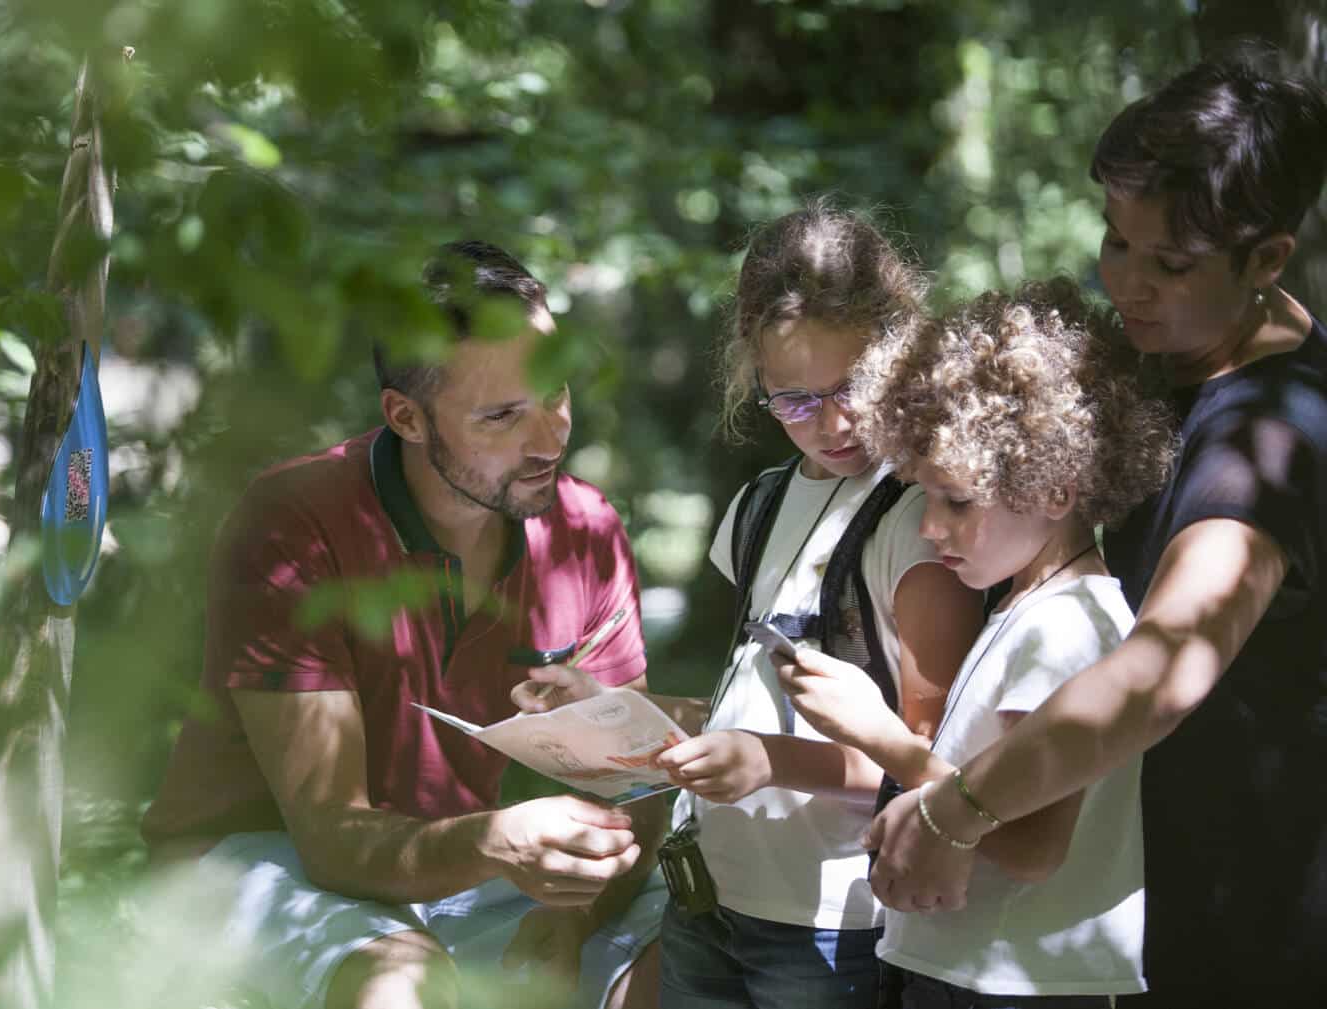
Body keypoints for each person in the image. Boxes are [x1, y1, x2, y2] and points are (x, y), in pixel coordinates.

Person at [859, 48, 1327, 1007]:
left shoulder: (1266, 437)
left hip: (1252, 923)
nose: (1129, 283)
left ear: (1268, 258)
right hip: (1129, 917)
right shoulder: (1174, 351)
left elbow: (1165, 669)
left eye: (1171, 263)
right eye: (1116, 241)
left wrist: (956, 808)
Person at [140, 240, 668, 1009]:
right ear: (406, 417)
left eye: (555, 392)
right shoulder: (296, 519)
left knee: (680, 960)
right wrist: (499, 842)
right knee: (400, 983)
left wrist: (579, 914)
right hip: (255, 857)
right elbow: (330, 833)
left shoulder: (585, 526)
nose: (551, 437)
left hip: (462, 865)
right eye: (502, 415)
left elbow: (636, 784)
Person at [519, 202, 985, 1008]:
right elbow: (748, 710)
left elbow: (929, 763)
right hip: (714, 902)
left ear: (902, 353)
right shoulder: (761, 506)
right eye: (793, 401)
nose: (830, 423)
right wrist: (617, 710)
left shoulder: (923, 519)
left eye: (852, 387)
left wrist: (769, 760)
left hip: (835, 924)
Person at [778, 280, 1177, 1007]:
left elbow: (1033, 846)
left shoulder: (1067, 628)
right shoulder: (1025, 609)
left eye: (956, 500)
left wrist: (880, 735)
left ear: (1055, 489)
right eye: (925, 496)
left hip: (1009, 985)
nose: (930, 527)